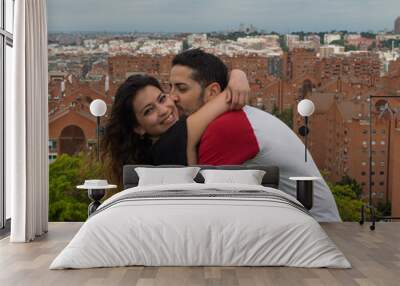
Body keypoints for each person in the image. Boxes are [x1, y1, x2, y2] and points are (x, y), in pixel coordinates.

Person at [169, 49, 341, 222]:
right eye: (170, 88)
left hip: (316, 231)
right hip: (300, 225)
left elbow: (200, 204)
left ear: (213, 92)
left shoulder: (226, 127)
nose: (172, 97)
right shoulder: (235, 116)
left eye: (181, 88)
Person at [101, 71, 248, 186]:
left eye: (162, 99)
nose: (164, 110)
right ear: (138, 127)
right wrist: (238, 76)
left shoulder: (148, 157)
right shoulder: (168, 144)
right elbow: (229, 99)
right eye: (148, 110)